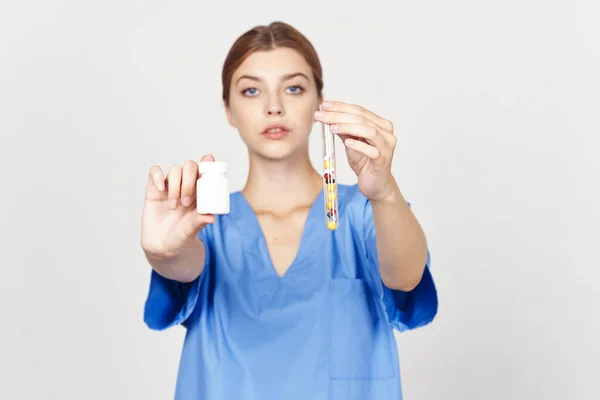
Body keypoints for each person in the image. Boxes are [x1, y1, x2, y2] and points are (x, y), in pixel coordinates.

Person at [140, 21, 438, 400]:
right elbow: (181, 262)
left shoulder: (365, 212)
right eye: (251, 90)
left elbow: (406, 276)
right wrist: (162, 251)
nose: (274, 107)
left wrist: (384, 193)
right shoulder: (206, 222)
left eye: (293, 88)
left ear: (318, 102)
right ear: (229, 110)